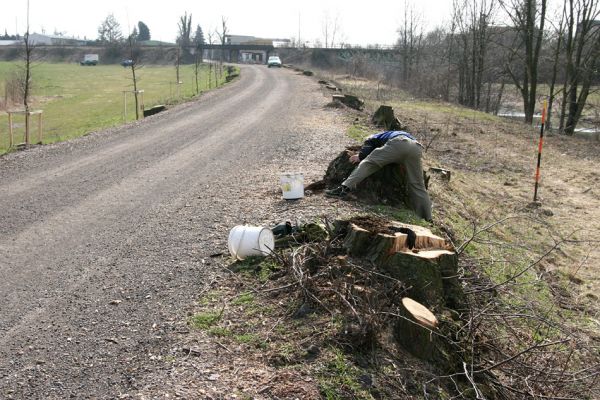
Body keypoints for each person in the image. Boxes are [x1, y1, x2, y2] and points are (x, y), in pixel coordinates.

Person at [325, 130, 432, 221]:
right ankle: (427, 217)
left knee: (368, 163)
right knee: (418, 185)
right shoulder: (396, 133)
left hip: (398, 144)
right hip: (416, 148)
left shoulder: (374, 137)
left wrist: (360, 156)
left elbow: (368, 147)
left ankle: (343, 189)